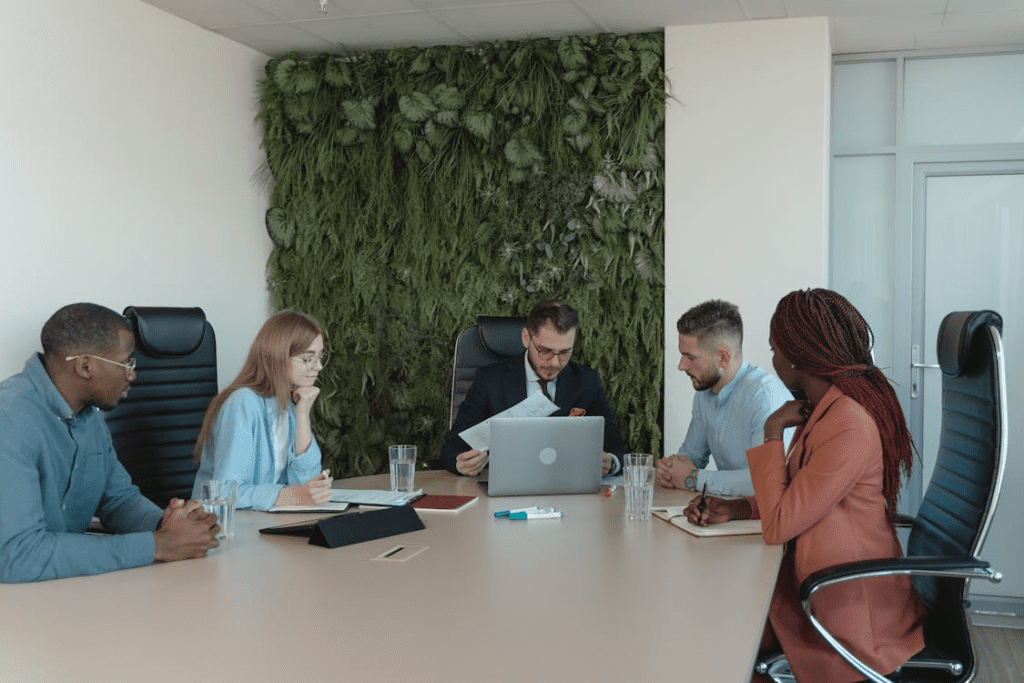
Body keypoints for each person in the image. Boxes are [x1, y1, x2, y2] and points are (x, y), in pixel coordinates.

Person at [685, 289, 926, 683]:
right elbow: (801, 495)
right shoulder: (824, 409)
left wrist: (771, 430)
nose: (774, 360)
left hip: (844, 609)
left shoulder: (848, 422)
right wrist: (739, 508)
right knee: (719, 620)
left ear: (797, 356)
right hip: (815, 585)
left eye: (776, 350)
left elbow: (781, 524)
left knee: (725, 631)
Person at [0, 303, 219, 583]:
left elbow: (118, 500)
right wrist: (158, 545)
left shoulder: (89, 417)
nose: (133, 374)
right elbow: (19, 557)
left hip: (64, 591)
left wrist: (168, 523)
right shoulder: (9, 420)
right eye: (126, 362)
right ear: (85, 366)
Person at [441, 300, 627, 477]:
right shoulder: (490, 380)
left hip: (566, 490)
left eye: (564, 352)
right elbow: (453, 446)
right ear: (526, 337)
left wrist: (611, 463)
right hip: (506, 487)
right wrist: (462, 462)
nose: (554, 363)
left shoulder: (587, 381)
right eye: (544, 351)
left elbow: (616, 447)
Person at [192, 310, 333, 511]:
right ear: (279, 357)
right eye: (308, 359)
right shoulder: (243, 404)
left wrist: (302, 415)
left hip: (264, 523)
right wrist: (289, 495)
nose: (318, 367)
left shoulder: (290, 402)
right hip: (223, 527)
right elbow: (224, 492)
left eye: (320, 357)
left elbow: (308, 486)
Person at [657, 300, 791, 496]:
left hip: (766, 521)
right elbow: (692, 455)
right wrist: (671, 467)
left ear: (723, 358)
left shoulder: (764, 397)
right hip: (729, 515)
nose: (681, 365)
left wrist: (693, 478)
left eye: (690, 357)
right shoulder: (704, 392)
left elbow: (764, 480)